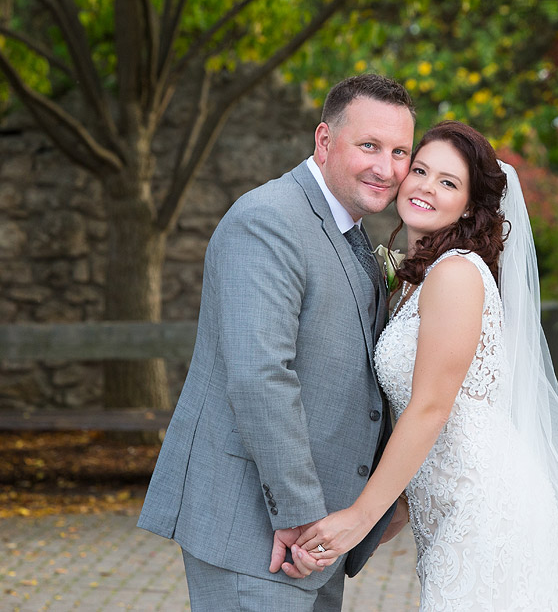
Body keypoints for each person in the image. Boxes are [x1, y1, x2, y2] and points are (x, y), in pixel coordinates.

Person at [289, 121, 558, 611]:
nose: (427, 187)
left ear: (471, 205)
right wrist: (398, 509)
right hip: (445, 509)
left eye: (448, 182)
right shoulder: (414, 278)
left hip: (487, 508)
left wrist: (359, 519)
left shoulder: (454, 274)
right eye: (421, 170)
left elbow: (431, 408)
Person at [137, 74, 416, 611]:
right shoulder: (267, 221)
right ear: (324, 140)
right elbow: (261, 375)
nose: (387, 168)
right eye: (369, 146)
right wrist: (300, 515)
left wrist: (374, 504)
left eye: (400, 151)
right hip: (259, 532)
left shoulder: (349, 228)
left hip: (319, 537)